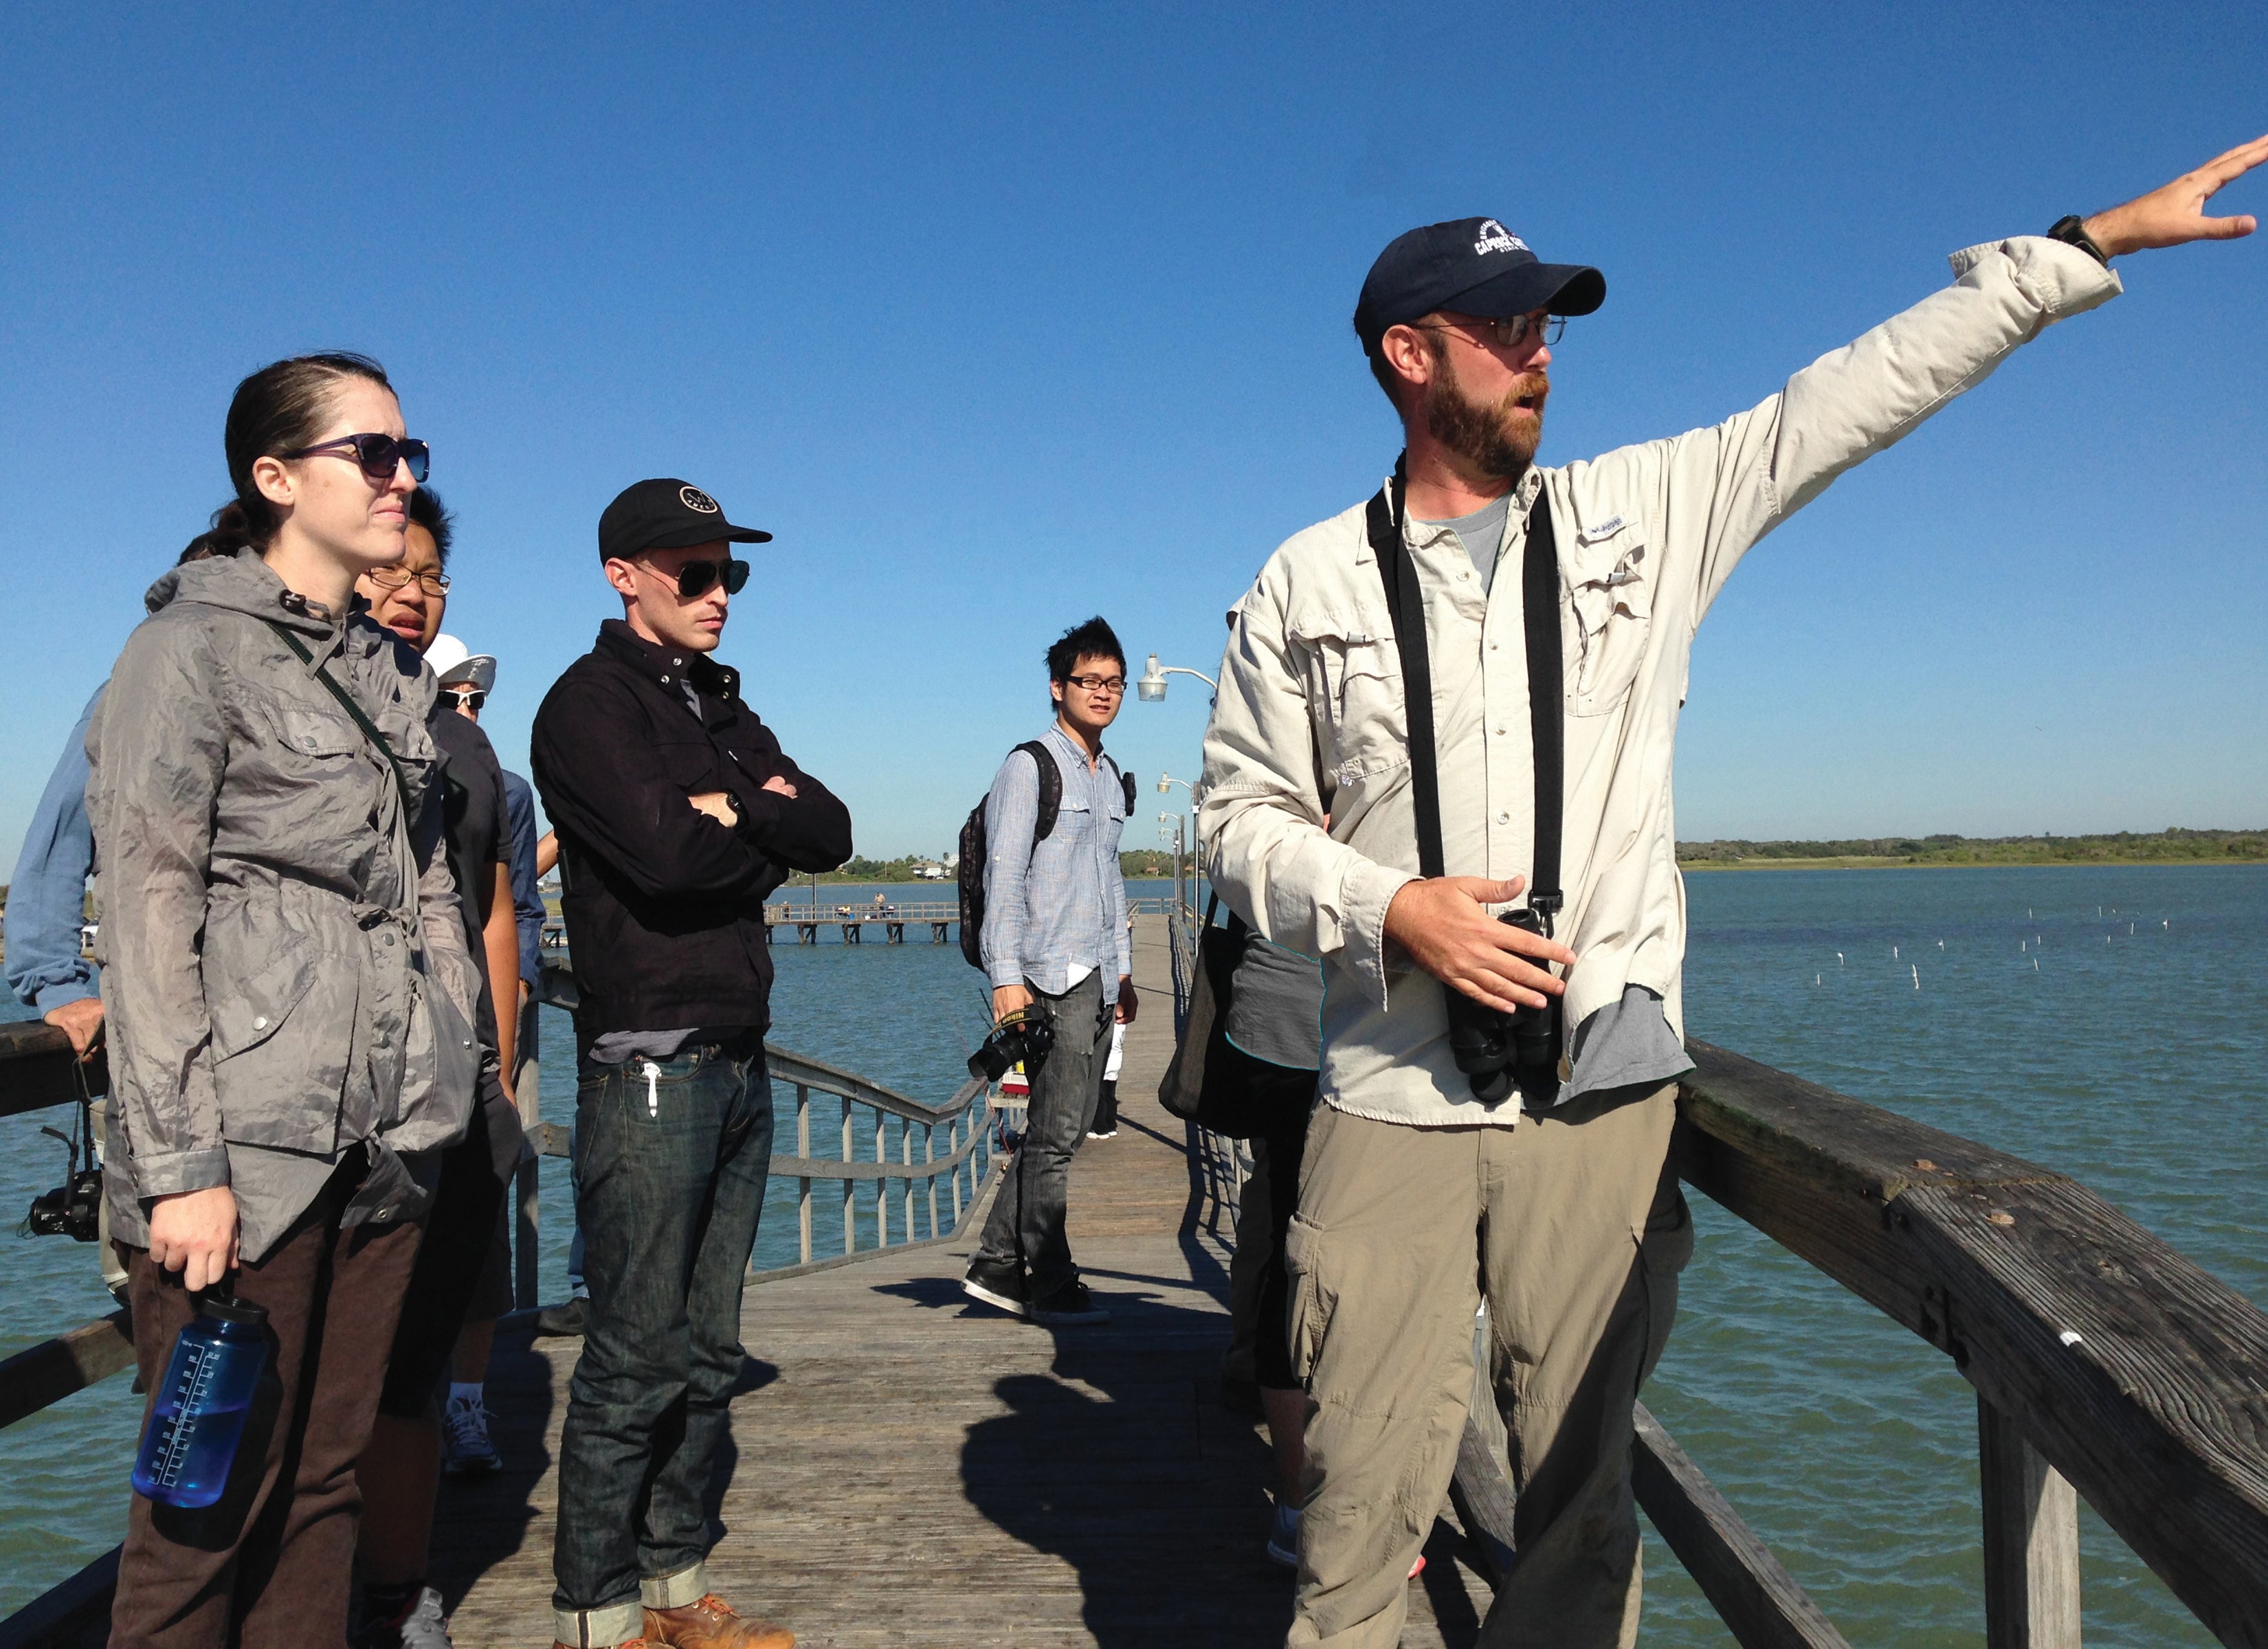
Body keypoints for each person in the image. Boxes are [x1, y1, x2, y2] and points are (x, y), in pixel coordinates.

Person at [1199, 140, 2268, 1648]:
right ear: (1407, 353)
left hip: (1599, 1105)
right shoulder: (1308, 582)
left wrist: (2078, 246)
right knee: (1360, 1520)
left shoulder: (1648, 510)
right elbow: (1231, 820)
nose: (1541, 355)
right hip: (1388, 1099)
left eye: (1549, 325)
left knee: (1577, 1517)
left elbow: (1852, 395)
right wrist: (1393, 907)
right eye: (1506, 328)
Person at [88, 352, 481, 1649]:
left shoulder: (387, 672)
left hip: (385, 1139)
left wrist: (448, 1048)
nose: (402, 478)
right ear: (273, 478)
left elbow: (427, 888)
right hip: (247, 1150)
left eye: (409, 453)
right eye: (372, 454)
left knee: (322, 1489)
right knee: (202, 1513)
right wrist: (183, 1165)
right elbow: (147, 914)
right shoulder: (184, 651)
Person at [531, 477, 849, 1649]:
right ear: (625, 575)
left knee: (710, 1348)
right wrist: (738, 820)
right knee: (634, 1356)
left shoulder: (718, 698)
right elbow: (665, 862)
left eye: (733, 575)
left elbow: (831, 828)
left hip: (739, 1054)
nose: (720, 595)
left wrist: (742, 811)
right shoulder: (587, 706)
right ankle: (595, 1615)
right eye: (694, 574)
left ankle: (674, 1592)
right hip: (649, 1064)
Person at [355, 487, 527, 1649]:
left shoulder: (463, 745)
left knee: (412, 1362)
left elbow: (495, 912)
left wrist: (503, 1073)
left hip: (456, 1086)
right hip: (341, 1097)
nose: (413, 591)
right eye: (393, 570)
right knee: (320, 1379)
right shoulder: (288, 700)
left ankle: (400, 1591)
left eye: (433, 577)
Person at [7, 522, 243, 1303]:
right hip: (168, 1042)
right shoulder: (133, 691)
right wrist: (56, 982)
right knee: (173, 1295)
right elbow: (55, 843)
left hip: (272, 1048)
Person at [961, 616, 1137, 1327]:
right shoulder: (1029, 766)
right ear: (1058, 688)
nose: (1103, 693)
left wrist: (1123, 972)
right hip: (1046, 978)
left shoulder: (1107, 775)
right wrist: (1006, 977)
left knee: (1050, 1131)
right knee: (1059, 1136)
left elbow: (1112, 877)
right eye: (1089, 681)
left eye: (1114, 682)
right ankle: (1050, 1276)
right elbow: (1005, 878)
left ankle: (997, 1264)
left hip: (1094, 973)